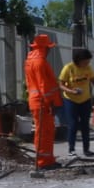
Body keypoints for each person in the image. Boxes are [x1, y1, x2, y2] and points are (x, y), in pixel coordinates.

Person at [25, 33, 63, 169]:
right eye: (48, 48)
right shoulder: (39, 62)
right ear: (44, 48)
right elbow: (44, 85)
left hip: (38, 101)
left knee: (45, 131)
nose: (49, 50)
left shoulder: (31, 60)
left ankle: (47, 159)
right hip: (43, 102)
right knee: (44, 132)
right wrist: (51, 102)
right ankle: (44, 162)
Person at [59, 47, 94, 156]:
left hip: (85, 100)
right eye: (85, 61)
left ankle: (86, 149)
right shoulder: (68, 68)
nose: (87, 63)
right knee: (73, 125)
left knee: (85, 125)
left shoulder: (88, 68)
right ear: (78, 59)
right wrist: (71, 91)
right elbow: (60, 85)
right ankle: (71, 149)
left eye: (88, 61)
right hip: (71, 100)